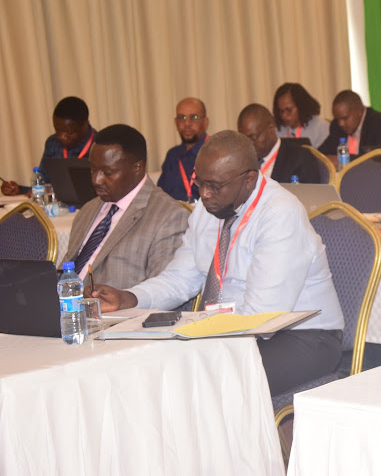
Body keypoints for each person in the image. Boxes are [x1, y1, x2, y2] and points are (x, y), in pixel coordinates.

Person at [92, 130, 344, 395]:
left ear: (249, 179)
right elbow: (180, 278)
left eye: (214, 186)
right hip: (229, 331)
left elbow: (263, 317)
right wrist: (130, 298)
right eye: (199, 183)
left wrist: (199, 331)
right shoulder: (208, 208)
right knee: (150, 370)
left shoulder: (279, 214)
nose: (205, 194)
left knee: (208, 384)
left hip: (301, 336)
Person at [63, 124, 189, 289]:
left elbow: (163, 291)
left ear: (137, 167)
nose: (96, 180)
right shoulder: (88, 210)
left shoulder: (169, 216)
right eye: (93, 170)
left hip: (115, 312)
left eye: (108, 172)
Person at [2, 96, 95, 196]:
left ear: (85, 124)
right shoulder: (52, 143)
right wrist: (19, 190)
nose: (62, 137)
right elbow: (42, 186)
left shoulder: (100, 146)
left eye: (69, 132)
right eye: (57, 130)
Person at [237, 103, 320, 183]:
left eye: (253, 137)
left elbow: (310, 195)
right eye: (244, 139)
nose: (249, 144)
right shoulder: (243, 164)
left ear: (271, 128)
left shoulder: (300, 158)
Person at [157, 98, 210, 202]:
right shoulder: (172, 155)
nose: (187, 123)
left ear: (205, 122)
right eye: (182, 118)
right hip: (173, 215)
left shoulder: (216, 152)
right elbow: (160, 195)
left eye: (194, 117)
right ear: (176, 122)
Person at [319, 90, 381, 156]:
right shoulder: (336, 126)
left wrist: (345, 160)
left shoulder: (379, 122)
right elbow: (321, 153)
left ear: (359, 111)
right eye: (337, 119)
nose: (341, 124)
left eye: (345, 118)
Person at [273, 83, 330, 148]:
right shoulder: (278, 131)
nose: (284, 116)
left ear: (301, 106)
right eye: (281, 111)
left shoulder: (321, 128)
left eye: (288, 110)